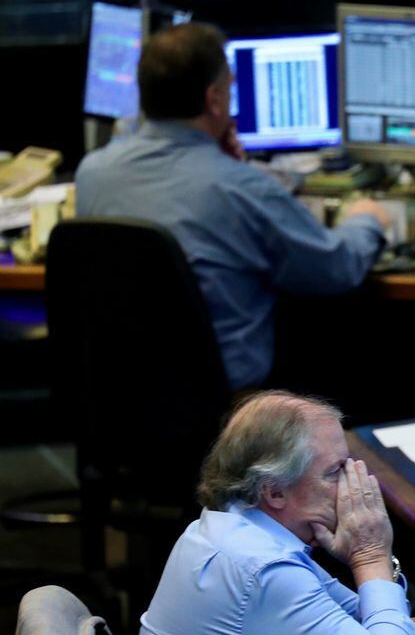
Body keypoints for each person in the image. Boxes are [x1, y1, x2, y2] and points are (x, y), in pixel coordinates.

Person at [75, 22, 391, 392]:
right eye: (230, 87)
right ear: (214, 99)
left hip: (117, 394)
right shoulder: (242, 188)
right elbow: (334, 268)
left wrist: (227, 166)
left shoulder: (93, 173)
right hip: (227, 411)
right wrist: (366, 220)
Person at [126, 390, 415, 635]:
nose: (353, 488)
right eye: (336, 472)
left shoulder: (223, 530)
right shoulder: (260, 569)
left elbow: (364, 626)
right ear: (274, 491)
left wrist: (374, 565)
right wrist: (370, 557)